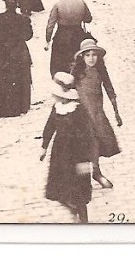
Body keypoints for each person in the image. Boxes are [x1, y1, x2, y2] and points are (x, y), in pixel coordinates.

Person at [40, 72, 97, 223]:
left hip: (78, 154)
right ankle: (70, 204)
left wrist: (87, 160)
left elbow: (89, 135)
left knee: (79, 187)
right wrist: (44, 147)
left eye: (56, 94)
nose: (54, 96)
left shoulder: (79, 111)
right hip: (60, 153)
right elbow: (50, 126)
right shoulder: (57, 107)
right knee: (61, 183)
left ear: (65, 96)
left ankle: (83, 217)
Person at [70, 39, 122, 190]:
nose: (91, 58)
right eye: (88, 55)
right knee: (82, 146)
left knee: (96, 144)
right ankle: (83, 178)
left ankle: (97, 172)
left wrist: (116, 112)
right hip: (81, 114)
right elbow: (68, 91)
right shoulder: (77, 72)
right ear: (82, 57)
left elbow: (110, 90)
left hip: (97, 114)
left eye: (94, 55)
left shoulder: (100, 71)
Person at [0, 0, 33, 119]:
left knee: (0, 81)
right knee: (18, 80)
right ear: (17, 4)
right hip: (18, 53)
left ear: (5, 3)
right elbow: (28, 36)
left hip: (0, 54)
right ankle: (17, 107)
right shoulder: (23, 19)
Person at [45, 0, 93, 77]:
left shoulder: (58, 5)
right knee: (78, 59)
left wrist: (48, 40)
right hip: (78, 34)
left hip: (62, 36)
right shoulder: (81, 2)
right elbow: (88, 19)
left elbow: (50, 25)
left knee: (60, 62)